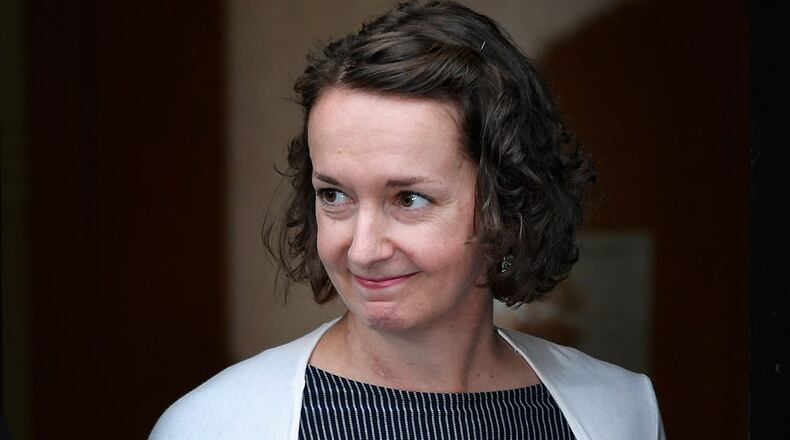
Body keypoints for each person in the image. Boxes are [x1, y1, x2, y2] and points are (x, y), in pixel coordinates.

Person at [150, 1, 665, 439]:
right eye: (334, 195)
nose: (362, 250)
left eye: (409, 199)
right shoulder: (216, 426)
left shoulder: (622, 412)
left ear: (508, 206)